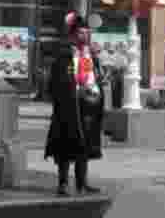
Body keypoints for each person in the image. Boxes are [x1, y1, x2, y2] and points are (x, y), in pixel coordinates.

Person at [44, 11, 105, 196]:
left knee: (84, 146)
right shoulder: (63, 54)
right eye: (81, 32)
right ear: (72, 34)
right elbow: (54, 82)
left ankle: (82, 183)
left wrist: (99, 78)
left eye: (87, 32)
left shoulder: (90, 55)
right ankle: (62, 184)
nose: (85, 36)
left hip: (88, 106)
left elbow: (92, 77)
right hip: (68, 108)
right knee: (64, 147)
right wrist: (69, 91)